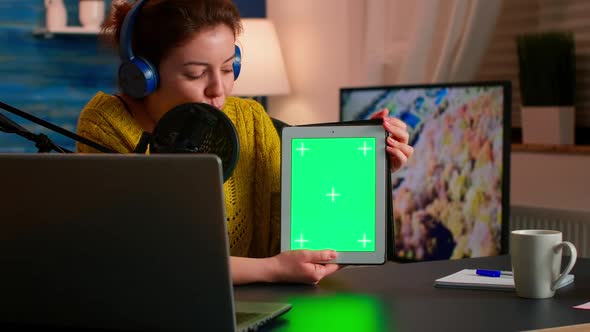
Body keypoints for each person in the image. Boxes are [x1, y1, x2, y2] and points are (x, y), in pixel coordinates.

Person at [76, 0, 414, 285]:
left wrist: (365, 168)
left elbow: (309, 221)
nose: (218, 90)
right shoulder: (106, 124)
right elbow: (140, 260)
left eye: (227, 69)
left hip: (258, 304)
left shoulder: (250, 118)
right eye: (195, 74)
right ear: (143, 76)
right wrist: (273, 269)